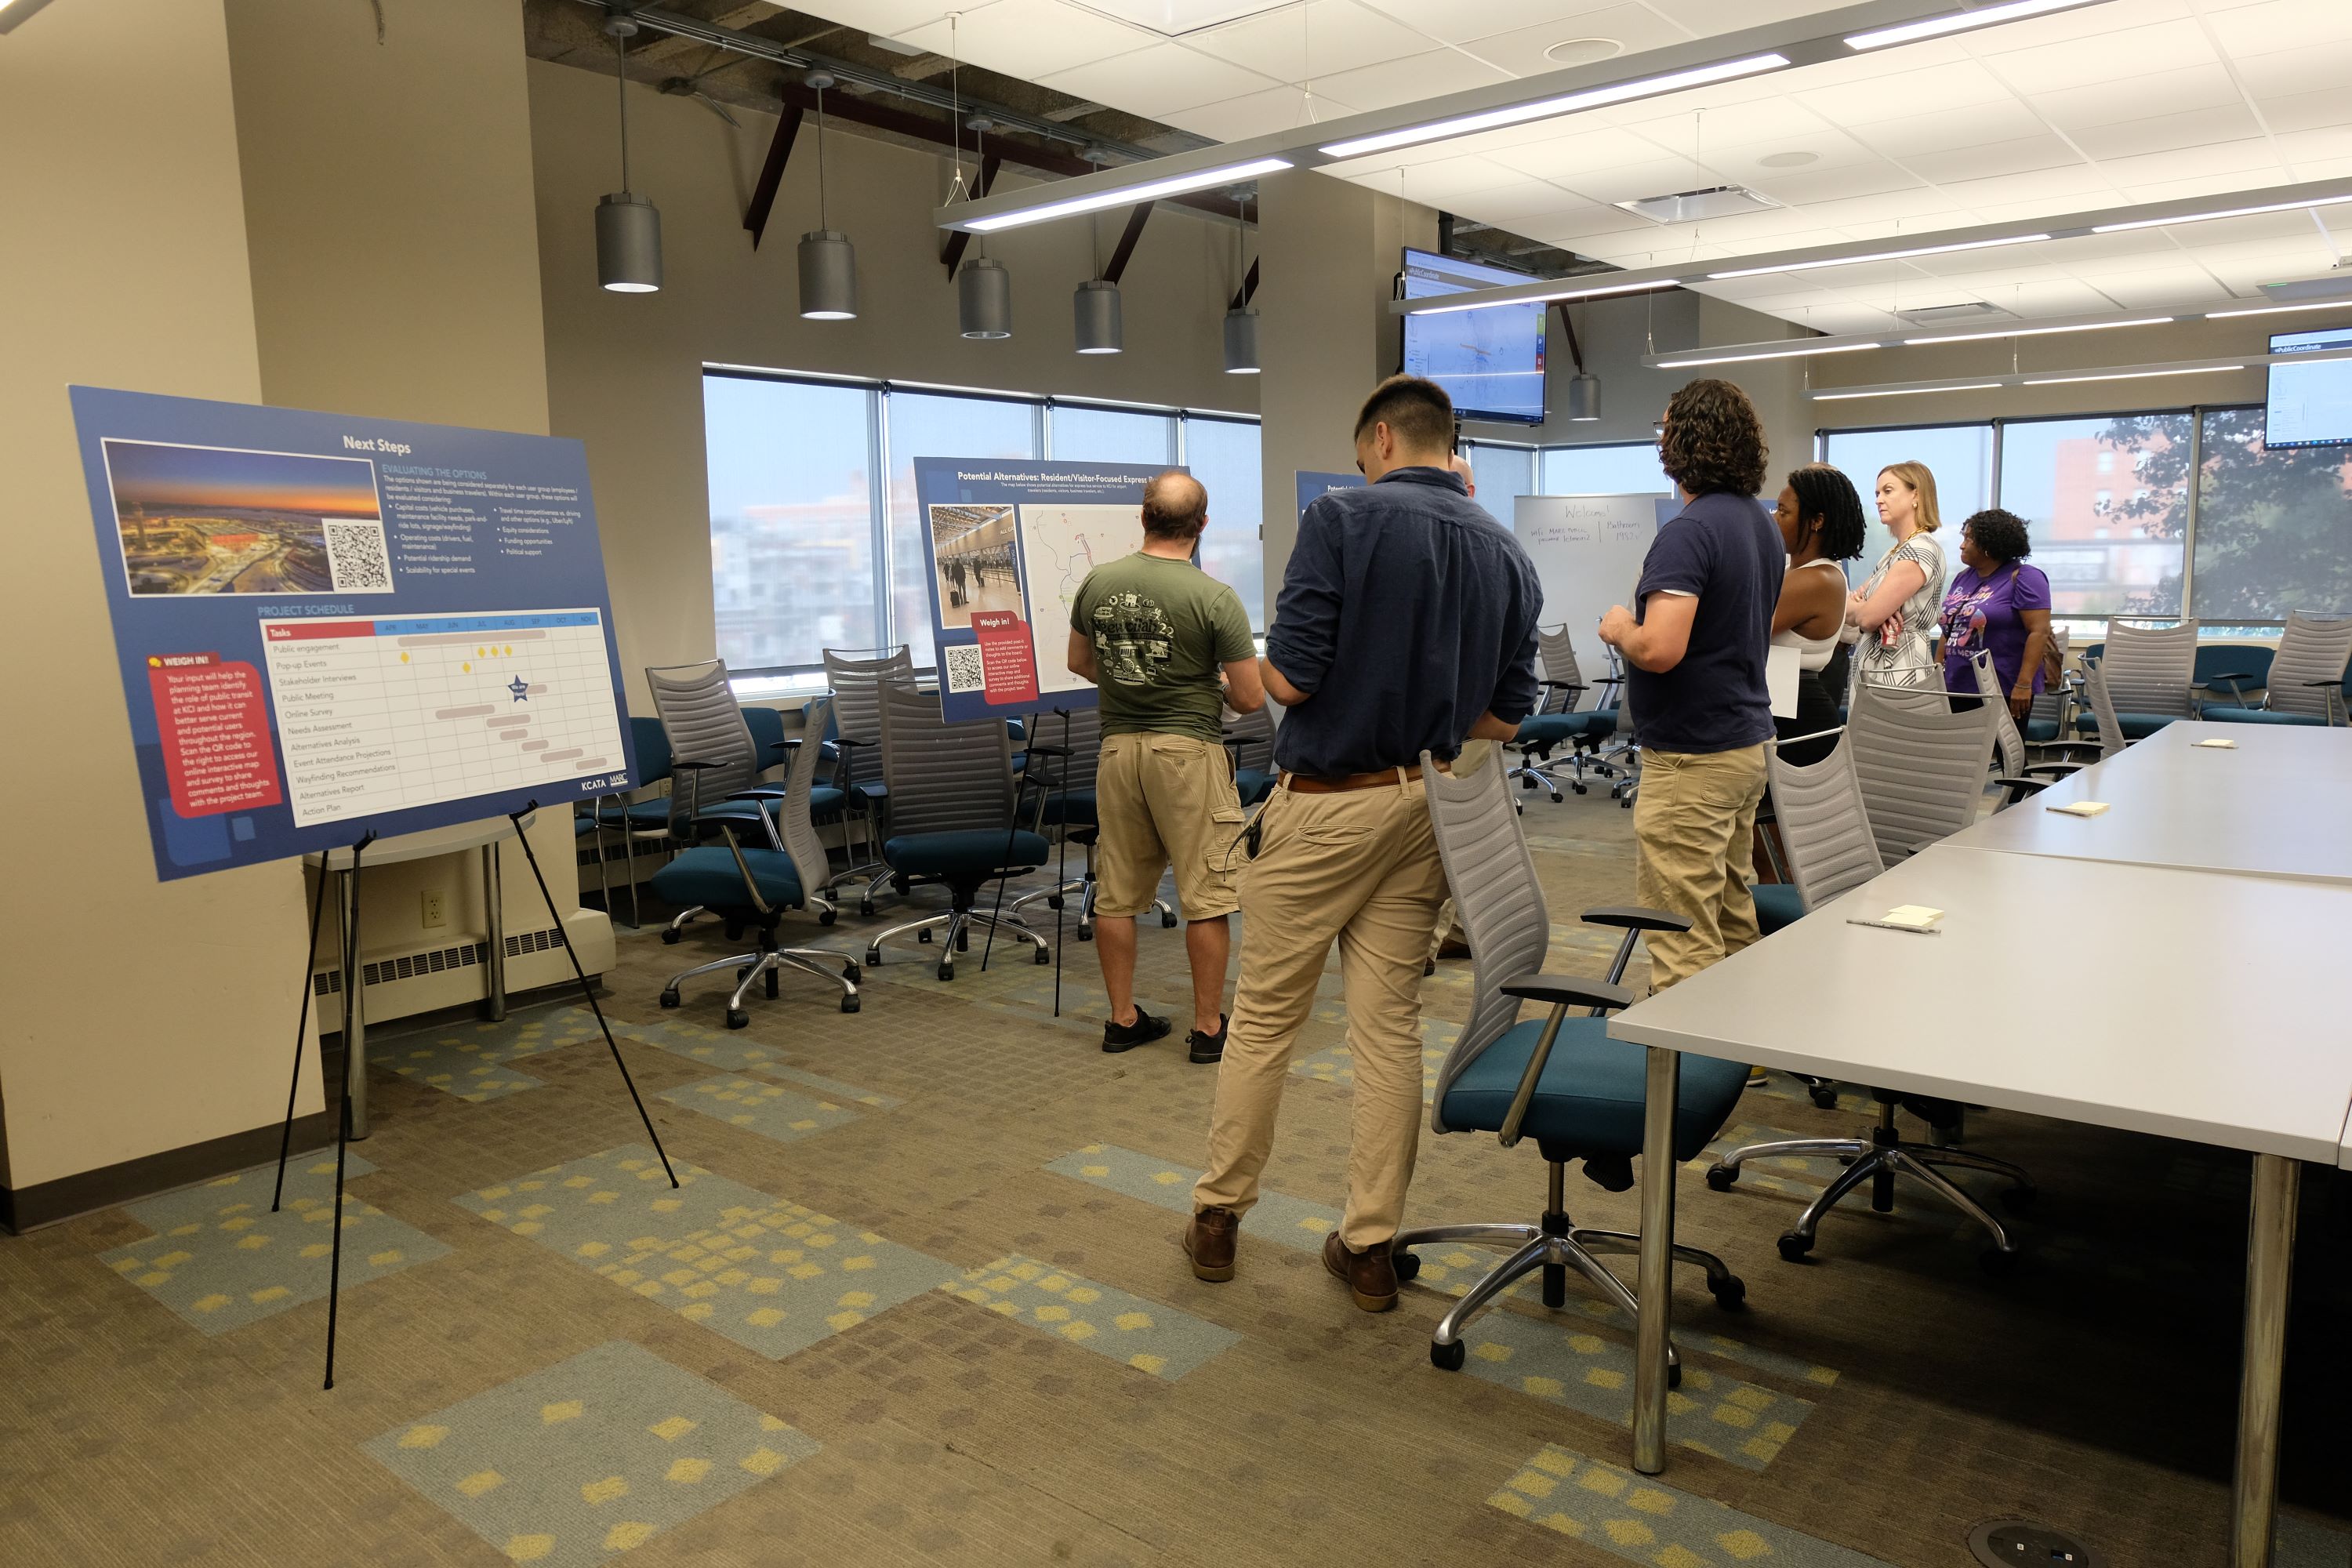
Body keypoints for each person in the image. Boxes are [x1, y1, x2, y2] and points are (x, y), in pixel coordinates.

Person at [1185, 376, 1542, 1315]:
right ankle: (1372, 1243)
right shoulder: (1506, 549)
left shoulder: (1338, 521)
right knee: (1386, 1028)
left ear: (1380, 437)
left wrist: (1247, 659)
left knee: (1264, 1017)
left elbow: (1292, 682)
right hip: (1427, 807)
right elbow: (1507, 717)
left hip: (1327, 804)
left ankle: (1220, 1215)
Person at [1068, 472, 1265, 1062]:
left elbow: (1081, 662)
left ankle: (1122, 1019)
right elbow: (1252, 700)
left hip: (1118, 751)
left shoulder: (1098, 582)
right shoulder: (1213, 596)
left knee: (1117, 893)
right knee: (1206, 894)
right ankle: (1208, 1029)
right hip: (1188, 755)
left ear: (1143, 516)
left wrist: (1136, 680)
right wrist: (1214, 685)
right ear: (1201, 526)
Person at [1597, 378, 1782, 992]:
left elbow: (1661, 647)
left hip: (1693, 760)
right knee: (1730, 907)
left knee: (1682, 926)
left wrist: (1623, 627)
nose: (1662, 439)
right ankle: (1742, 1055)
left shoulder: (1689, 531)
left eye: (1665, 427)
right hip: (1741, 744)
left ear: (1684, 440)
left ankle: (1683, 1076)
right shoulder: (1759, 525)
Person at [1769, 464, 1867, 767]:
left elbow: (1737, 627)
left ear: (1816, 522)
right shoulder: (1796, 571)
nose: (1774, 519)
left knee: (1780, 815)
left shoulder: (1818, 578)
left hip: (1798, 718)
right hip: (1782, 706)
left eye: (1783, 512)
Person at [1940, 508, 2055, 720]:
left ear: (1988, 545)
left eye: (1969, 539)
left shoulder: (2025, 577)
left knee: (2003, 751)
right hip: (1956, 683)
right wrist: (1937, 674)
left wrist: (2023, 684)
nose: (1962, 544)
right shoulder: (1963, 578)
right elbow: (1951, 629)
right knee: (1960, 751)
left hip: (2002, 686)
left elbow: (2039, 632)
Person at [1846, 462, 1947, 689]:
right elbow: (1850, 608)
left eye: (1888, 491)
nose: (1879, 499)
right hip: (1877, 667)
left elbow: (1867, 618)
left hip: (1899, 669)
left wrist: (1868, 611)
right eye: (1877, 493)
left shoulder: (1920, 549)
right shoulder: (1895, 551)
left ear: (1916, 495)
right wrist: (1867, 610)